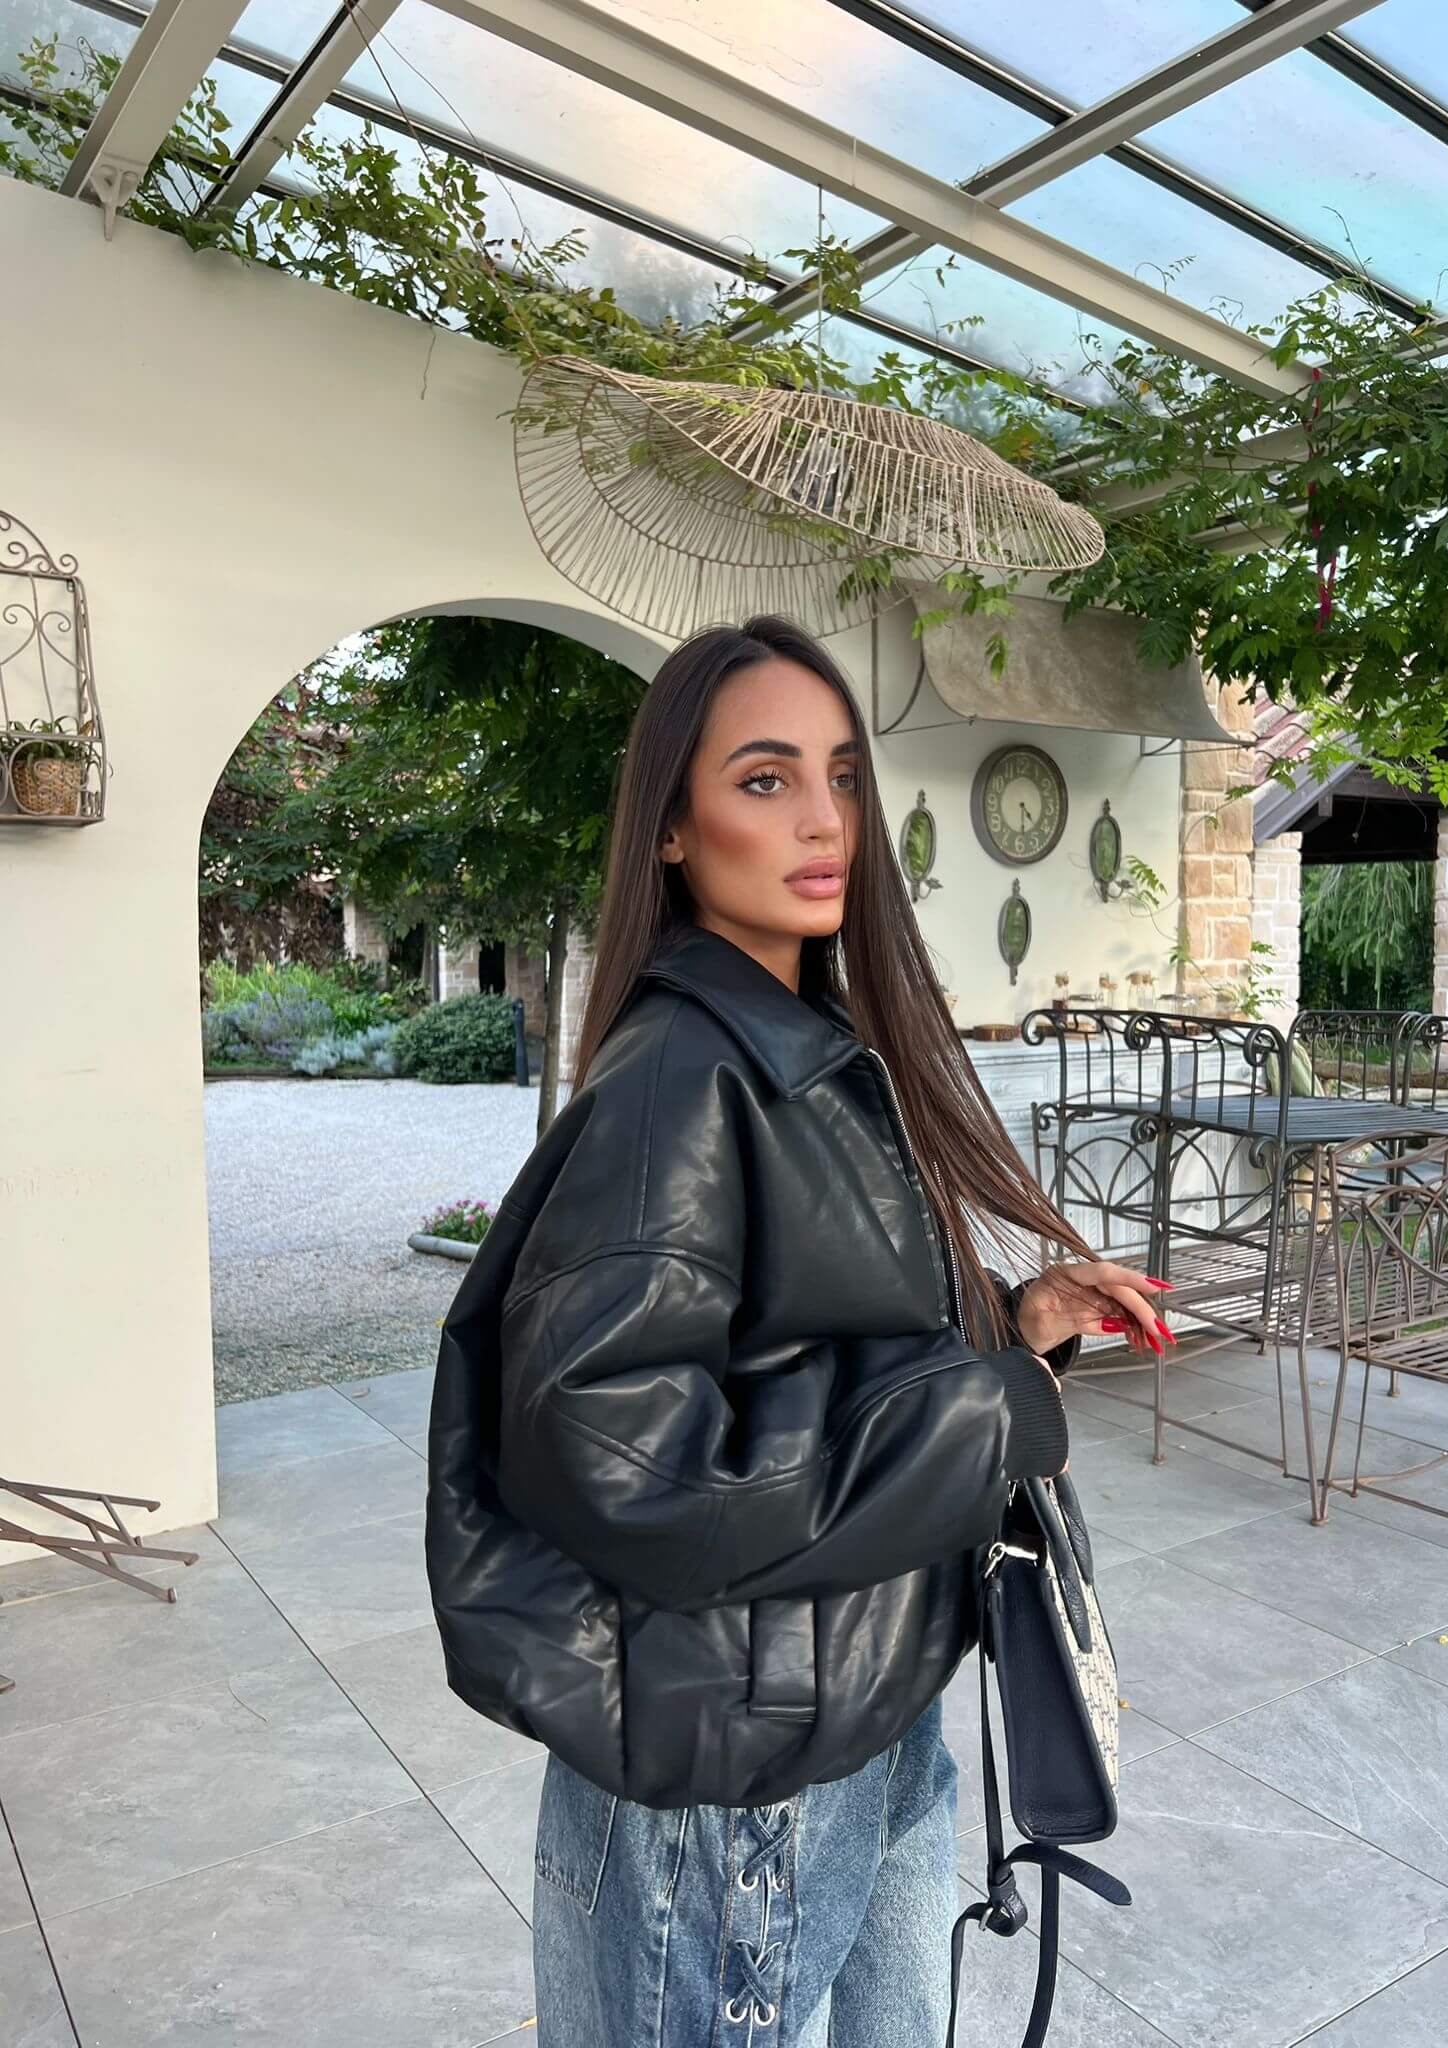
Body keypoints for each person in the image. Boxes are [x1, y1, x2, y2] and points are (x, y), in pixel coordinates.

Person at [426, 616, 1173, 2046]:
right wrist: (993, 1415)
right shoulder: (679, 1085)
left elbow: (807, 1340)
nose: (825, 820)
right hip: (736, 1772)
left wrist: (1014, 1328)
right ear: (671, 828)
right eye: (764, 780)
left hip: (866, 1703)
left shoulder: (803, 1050)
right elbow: (628, 1464)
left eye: (840, 776)